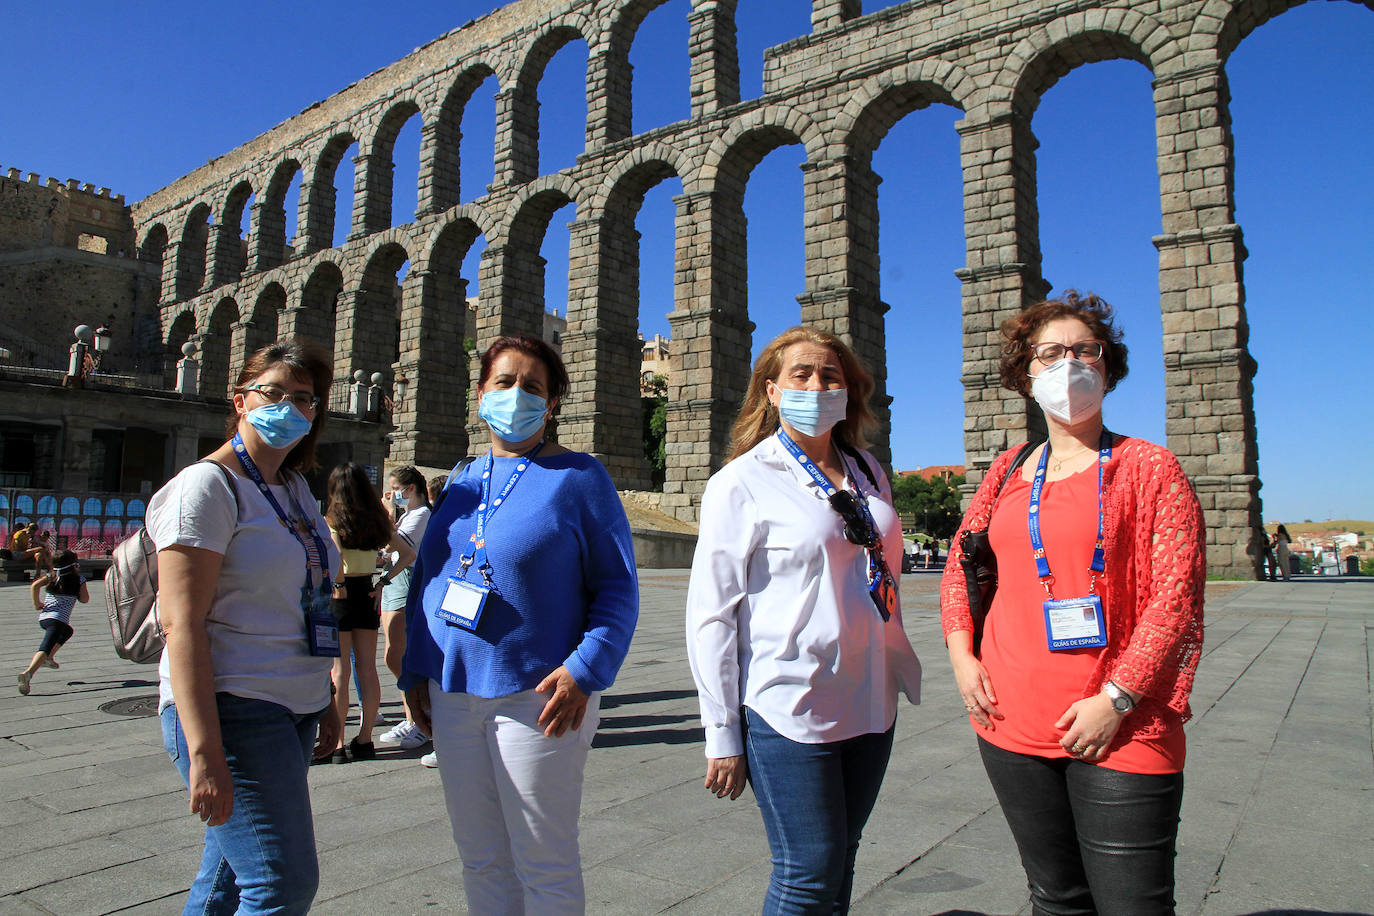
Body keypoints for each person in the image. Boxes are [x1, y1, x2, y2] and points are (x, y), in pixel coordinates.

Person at [941, 291, 1205, 916]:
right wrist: (961, 657)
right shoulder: (1007, 470)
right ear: (1026, 374)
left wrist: (1116, 699)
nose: (1070, 365)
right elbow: (960, 568)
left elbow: (1176, 599)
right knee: (1056, 900)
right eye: (1051, 353)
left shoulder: (1150, 467)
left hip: (1123, 725)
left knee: (1134, 906)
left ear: (1107, 367)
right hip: (1010, 721)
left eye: (1085, 351)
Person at [686, 326, 922, 915]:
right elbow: (712, 615)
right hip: (789, 703)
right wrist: (722, 730)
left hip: (870, 698)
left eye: (832, 376)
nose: (818, 386)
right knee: (807, 873)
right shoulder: (740, 482)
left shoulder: (867, 470)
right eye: (802, 374)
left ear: (849, 391)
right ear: (771, 391)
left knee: (842, 857)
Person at [401, 334, 639, 914]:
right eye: (504, 382)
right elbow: (428, 578)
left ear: (552, 403)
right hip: (453, 692)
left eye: (533, 386)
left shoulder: (581, 478)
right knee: (480, 858)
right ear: (481, 393)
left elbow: (617, 586)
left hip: (539, 694)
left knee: (544, 862)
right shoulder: (459, 479)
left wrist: (586, 670)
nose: (516, 395)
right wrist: (413, 671)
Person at [147, 338, 343, 915]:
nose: (290, 407)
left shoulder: (296, 489)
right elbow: (179, 624)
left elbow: (309, 598)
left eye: (304, 399)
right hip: (234, 710)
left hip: (294, 706)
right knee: (280, 884)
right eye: (274, 393)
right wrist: (204, 751)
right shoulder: (205, 487)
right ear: (240, 401)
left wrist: (327, 696)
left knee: (228, 879)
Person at [324, 463, 415, 763]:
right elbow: (408, 553)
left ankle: (336, 744)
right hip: (367, 591)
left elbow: (335, 555)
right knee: (367, 668)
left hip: (341, 593)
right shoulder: (375, 520)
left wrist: (337, 584)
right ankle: (364, 740)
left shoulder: (333, 518)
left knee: (340, 671)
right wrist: (384, 580)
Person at [374, 465, 431, 752]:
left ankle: (419, 716)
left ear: (410, 490)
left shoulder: (420, 515)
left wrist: (387, 511)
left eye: (395, 489)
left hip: (404, 583)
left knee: (397, 655)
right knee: (393, 654)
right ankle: (413, 716)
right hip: (396, 584)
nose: (392, 494)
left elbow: (393, 544)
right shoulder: (410, 514)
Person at [17, 550, 89, 694]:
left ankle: (48, 658)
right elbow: (84, 599)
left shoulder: (51, 576)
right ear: (74, 565)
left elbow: (34, 586)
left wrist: (36, 603)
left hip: (45, 618)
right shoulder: (79, 580)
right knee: (45, 646)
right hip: (58, 621)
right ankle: (28, 673)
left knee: (68, 631)